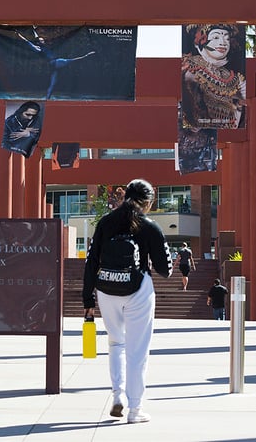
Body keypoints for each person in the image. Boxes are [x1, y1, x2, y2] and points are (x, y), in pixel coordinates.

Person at [82, 179, 172, 424]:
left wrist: (87, 297)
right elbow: (166, 268)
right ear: (149, 202)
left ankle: (117, 396)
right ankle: (135, 409)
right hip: (138, 290)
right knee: (137, 351)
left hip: (106, 289)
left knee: (116, 344)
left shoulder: (106, 222)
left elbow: (91, 261)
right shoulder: (149, 226)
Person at [181, 23, 247, 129]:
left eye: (227, 39)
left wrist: (239, 105)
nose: (223, 43)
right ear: (202, 41)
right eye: (215, 37)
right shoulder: (188, 66)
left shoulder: (234, 78)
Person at [16, 26, 95, 100]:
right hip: (55, 62)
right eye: (41, 40)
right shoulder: (38, 48)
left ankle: (47, 98)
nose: (43, 41)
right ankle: (86, 56)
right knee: (72, 60)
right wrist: (19, 35)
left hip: (54, 65)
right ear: (39, 43)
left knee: (53, 84)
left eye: (43, 40)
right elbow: (27, 41)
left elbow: (37, 37)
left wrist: (34, 29)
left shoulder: (45, 45)